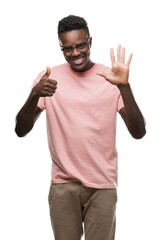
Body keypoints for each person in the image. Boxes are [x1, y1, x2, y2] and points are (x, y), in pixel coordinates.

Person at [15, 15, 146, 240]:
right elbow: (20, 130)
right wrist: (34, 94)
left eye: (80, 45)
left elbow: (138, 132)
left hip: (103, 185)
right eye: (67, 48)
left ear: (90, 42)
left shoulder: (111, 78)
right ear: (61, 48)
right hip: (63, 185)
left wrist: (124, 87)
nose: (75, 53)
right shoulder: (49, 78)